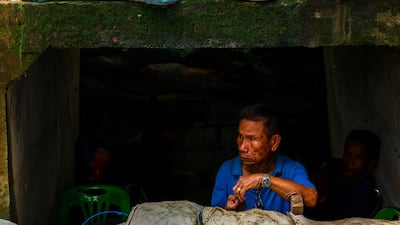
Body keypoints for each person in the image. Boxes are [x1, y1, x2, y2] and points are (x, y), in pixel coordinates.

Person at [211, 104, 318, 214]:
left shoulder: (292, 169)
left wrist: (264, 180)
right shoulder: (227, 170)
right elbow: (213, 217)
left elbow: (311, 199)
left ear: (274, 142)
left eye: (251, 139)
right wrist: (229, 212)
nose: (242, 147)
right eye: (240, 137)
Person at [307, 129, 381, 220]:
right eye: (348, 154)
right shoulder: (344, 178)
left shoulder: (364, 193)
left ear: (371, 163)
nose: (350, 161)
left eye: (358, 157)